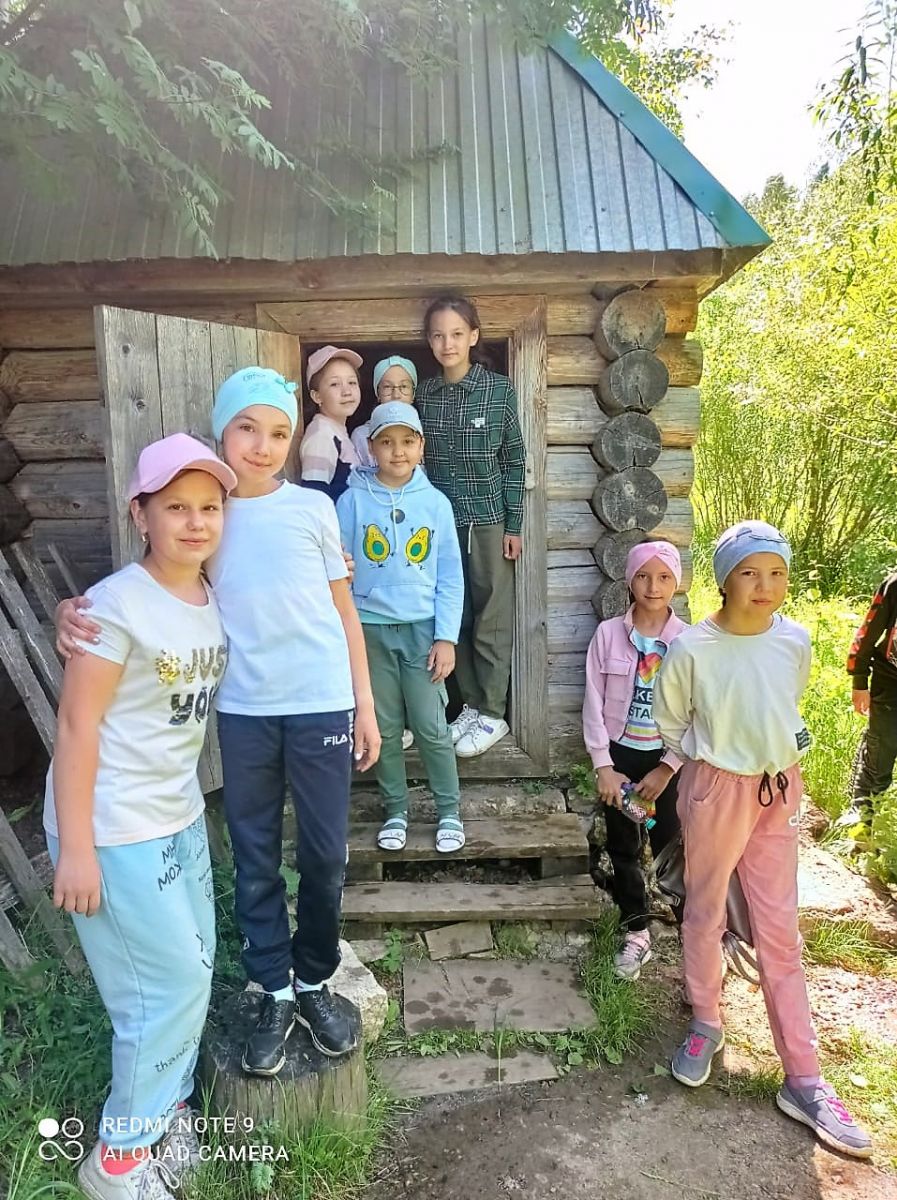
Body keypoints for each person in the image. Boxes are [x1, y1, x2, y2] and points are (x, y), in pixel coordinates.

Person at [57, 366, 381, 1080]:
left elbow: (344, 611)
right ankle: (272, 990)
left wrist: (364, 701)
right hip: (245, 713)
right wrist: (69, 612)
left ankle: (315, 979)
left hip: (322, 704)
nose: (263, 446)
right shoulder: (214, 516)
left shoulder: (314, 509)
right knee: (255, 854)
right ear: (221, 433)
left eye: (278, 433)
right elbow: (160, 585)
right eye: (246, 429)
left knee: (325, 854)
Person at [47, 434, 236, 1200]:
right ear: (140, 514)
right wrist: (76, 848)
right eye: (176, 507)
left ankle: (168, 1112)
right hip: (112, 824)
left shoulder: (209, 592)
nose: (195, 522)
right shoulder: (115, 606)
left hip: (175, 814)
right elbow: (76, 727)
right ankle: (117, 1160)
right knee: (164, 988)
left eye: (209, 507)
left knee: (192, 972)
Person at [653, 520, 872, 1158]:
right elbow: (672, 720)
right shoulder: (692, 648)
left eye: (776, 572)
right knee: (704, 910)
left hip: (778, 790)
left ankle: (804, 1078)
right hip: (715, 790)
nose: (765, 585)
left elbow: (784, 703)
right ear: (725, 580)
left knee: (780, 929)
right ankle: (705, 1021)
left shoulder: (794, 640)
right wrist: (709, 760)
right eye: (749, 572)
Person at [337, 402, 465, 853]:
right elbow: (337, 567)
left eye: (408, 441)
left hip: (422, 632)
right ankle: (396, 810)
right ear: (370, 448)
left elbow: (450, 575)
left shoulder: (435, 504)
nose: (398, 451)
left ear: (421, 446)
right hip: (370, 631)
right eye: (387, 442)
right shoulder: (352, 501)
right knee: (385, 728)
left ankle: (449, 811)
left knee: (431, 725)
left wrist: (446, 637)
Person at [416, 294, 526, 758]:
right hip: (441, 526)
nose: (448, 343)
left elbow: (514, 460)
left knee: (491, 620)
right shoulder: (424, 394)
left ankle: (494, 713)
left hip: (487, 522)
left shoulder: (498, 390)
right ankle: (471, 706)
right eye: (439, 335)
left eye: (457, 334)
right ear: (429, 341)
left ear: (473, 336)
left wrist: (514, 524)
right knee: (453, 617)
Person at [583, 541, 685, 980]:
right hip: (621, 758)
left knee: (672, 846)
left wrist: (668, 767)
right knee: (624, 848)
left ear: (676, 583)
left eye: (663, 577)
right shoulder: (608, 635)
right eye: (643, 576)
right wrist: (604, 766)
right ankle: (637, 931)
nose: (653, 586)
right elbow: (592, 700)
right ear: (629, 581)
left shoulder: (688, 642)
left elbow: (698, 711)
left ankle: (693, 930)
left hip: (666, 761)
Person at [840, 569, 897, 831]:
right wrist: (859, 680)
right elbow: (869, 631)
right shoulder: (894, 584)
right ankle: (862, 828)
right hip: (890, 686)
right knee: (879, 759)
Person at [300, 345, 363, 502]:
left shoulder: (336, 430)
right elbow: (314, 496)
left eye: (352, 382)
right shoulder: (321, 435)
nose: (347, 391)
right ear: (317, 396)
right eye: (335, 384)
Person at [351, 355, 419, 469]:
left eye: (404, 386)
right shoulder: (361, 435)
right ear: (378, 394)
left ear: (413, 394)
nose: (396, 395)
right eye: (387, 387)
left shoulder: (423, 431)